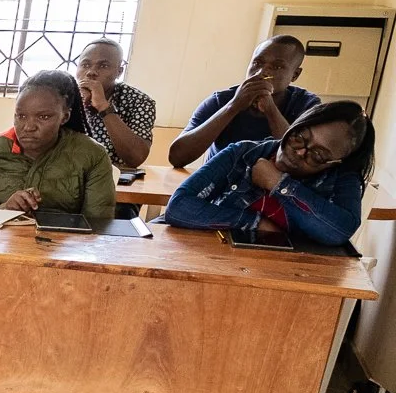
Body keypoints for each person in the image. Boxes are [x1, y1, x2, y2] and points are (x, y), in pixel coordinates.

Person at [164, 100, 374, 245]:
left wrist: (278, 184)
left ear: (335, 163)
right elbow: (179, 208)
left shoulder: (343, 178)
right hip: (216, 258)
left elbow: (338, 231)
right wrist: (254, 223)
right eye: (299, 137)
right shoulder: (243, 153)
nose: (300, 151)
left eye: (318, 155)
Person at [0, 70, 116, 218]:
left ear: (65, 117)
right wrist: (5, 210)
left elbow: (98, 227)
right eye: (21, 116)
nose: (28, 127)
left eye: (44, 117)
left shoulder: (92, 155)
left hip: (62, 246)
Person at [167, 36, 321, 169]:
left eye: (277, 67)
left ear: (295, 74)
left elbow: (299, 160)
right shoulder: (221, 100)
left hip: (275, 193)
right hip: (218, 189)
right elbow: (177, 158)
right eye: (257, 63)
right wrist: (233, 106)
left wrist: (270, 110)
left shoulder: (306, 105)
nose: (262, 72)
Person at [73, 38, 155, 168]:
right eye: (86, 65)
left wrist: (103, 106)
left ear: (119, 72)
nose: (91, 72)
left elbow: (136, 158)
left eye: (103, 66)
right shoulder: (62, 96)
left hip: (113, 180)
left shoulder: (139, 101)